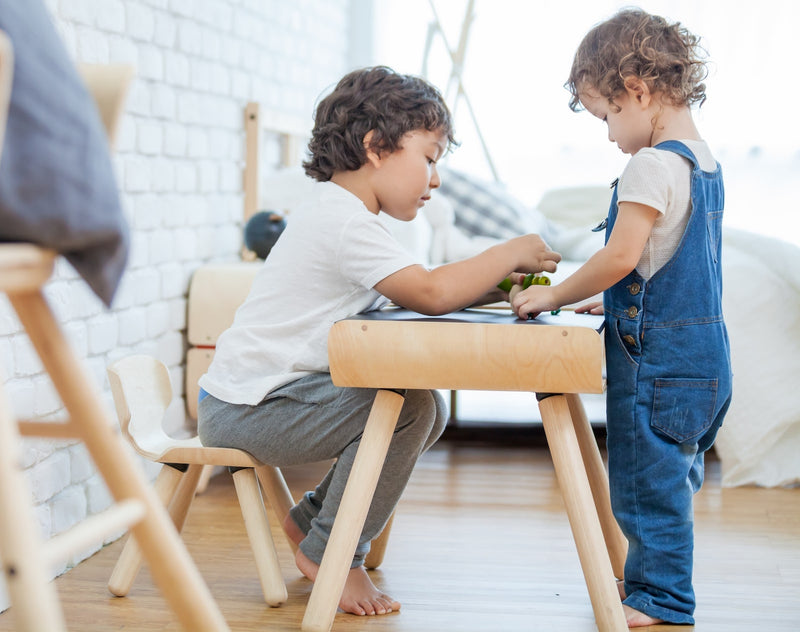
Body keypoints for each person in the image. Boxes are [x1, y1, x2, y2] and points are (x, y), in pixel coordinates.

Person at [198, 66, 561, 617]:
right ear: (376, 147)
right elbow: (431, 291)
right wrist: (505, 254)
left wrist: (495, 286)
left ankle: (311, 520)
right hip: (250, 409)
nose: (435, 180)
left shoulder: (342, 217)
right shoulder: (343, 224)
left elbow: (416, 290)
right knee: (411, 409)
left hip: (261, 400)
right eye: (431, 158)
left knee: (424, 410)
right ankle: (333, 555)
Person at [510, 9, 732, 627]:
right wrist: (607, 297)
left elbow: (620, 254)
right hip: (707, 360)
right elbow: (660, 263)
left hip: (657, 366)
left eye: (607, 116)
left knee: (643, 491)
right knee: (672, 483)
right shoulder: (704, 164)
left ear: (636, 89)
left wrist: (552, 296)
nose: (609, 135)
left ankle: (660, 602)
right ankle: (652, 587)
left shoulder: (651, 164)